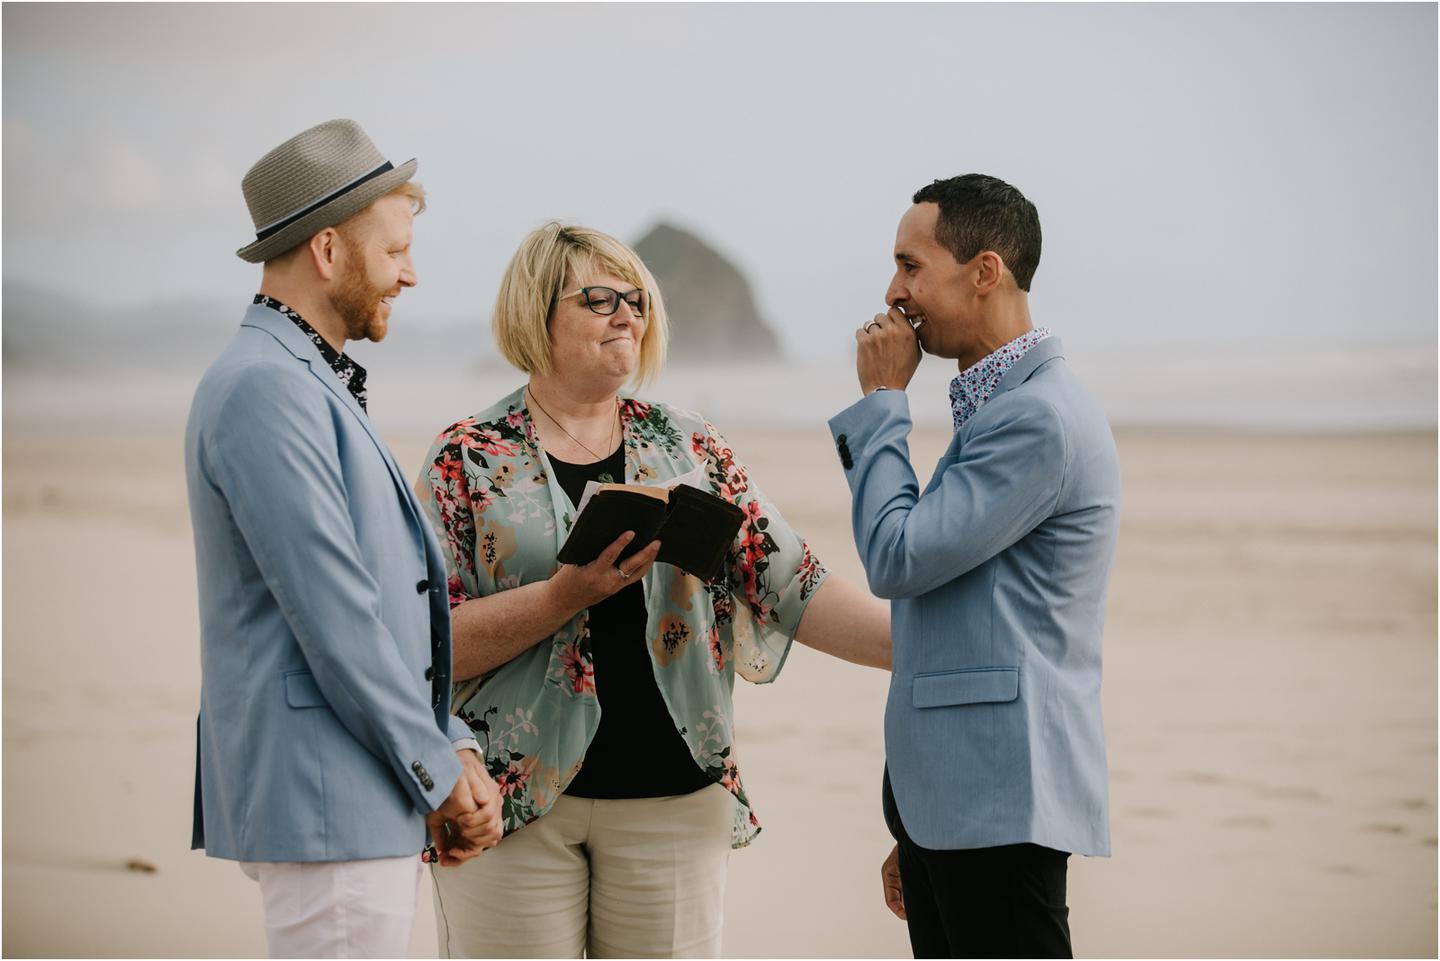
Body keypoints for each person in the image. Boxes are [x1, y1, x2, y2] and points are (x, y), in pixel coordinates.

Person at [414, 222, 891, 958]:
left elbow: (790, 579)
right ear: (537, 311)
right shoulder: (467, 458)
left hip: (673, 797)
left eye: (636, 299)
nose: (627, 316)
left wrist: (914, 645)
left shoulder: (691, 444)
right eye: (599, 298)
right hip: (510, 803)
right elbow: (425, 644)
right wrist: (564, 594)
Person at [184, 118, 503, 959]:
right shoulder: (264, 389)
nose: (409, 271)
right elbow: (339, 619)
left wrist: (454, 743)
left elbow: (388, 605)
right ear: (328, 251)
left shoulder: (301, 381)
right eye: (394, 249)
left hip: (356, 795)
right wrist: (439, 774)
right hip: (329, 802)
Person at [828, 174, 1121, 959]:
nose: (893, 291)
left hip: (1002, 801)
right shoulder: (1000, 408)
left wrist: (883, 402)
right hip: (961, 805)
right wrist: (920, 827)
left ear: (984, 271)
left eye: (911, 265)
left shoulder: (1038, 417)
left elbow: (897, 557)